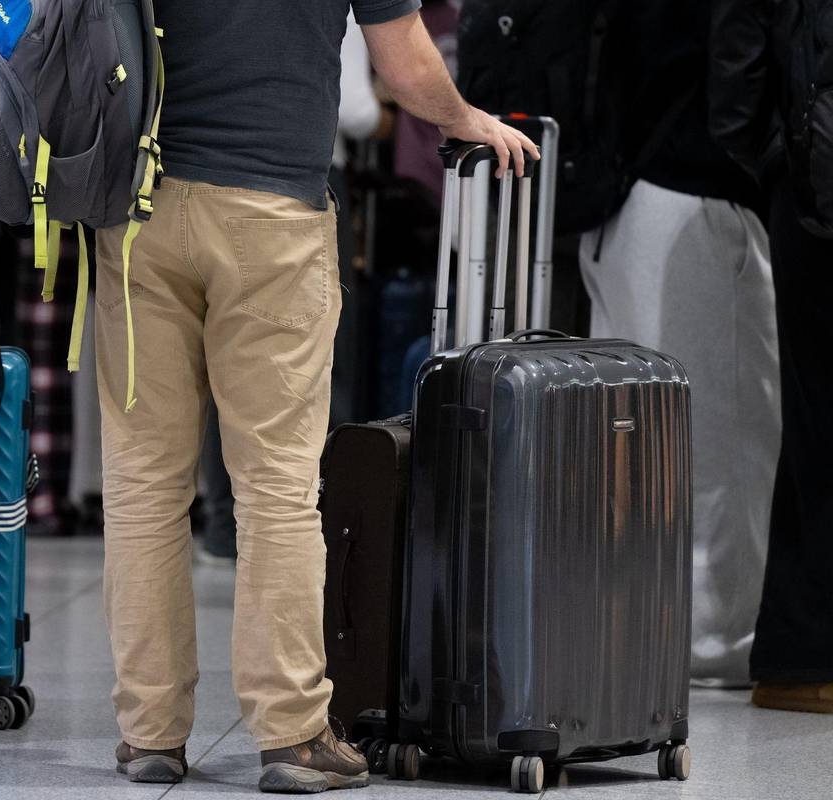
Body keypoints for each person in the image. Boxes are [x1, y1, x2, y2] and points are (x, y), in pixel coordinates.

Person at [95, 1, 537, 792]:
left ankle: (150, 735)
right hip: (272, 213)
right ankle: (292, 734)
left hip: (139, 209)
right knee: (275, 488)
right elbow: (401, 64)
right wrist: (464, 116)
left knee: (142, 486)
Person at [579, 0, 780, 688]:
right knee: (723, 439)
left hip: (619, 199)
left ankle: (635, 627)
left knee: (630, 442)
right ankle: (716, 639)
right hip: (695, 197)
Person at [711, 0, 833, 713]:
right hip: (813, 199)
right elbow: (737, 96)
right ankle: (798, 655)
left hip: (810, 195)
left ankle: (799, 655)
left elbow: (737, 89)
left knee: (815, 424)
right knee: (816, 426)